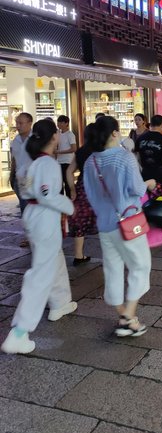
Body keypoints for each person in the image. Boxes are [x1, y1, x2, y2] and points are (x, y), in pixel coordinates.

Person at [1, 119, 77, 355]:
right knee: (42, 271)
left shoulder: (32, 161)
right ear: (54, 136)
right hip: (45, 216)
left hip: (35, 216)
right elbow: (47, 194)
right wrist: (69, 206)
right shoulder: (47, 163)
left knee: (53, 259)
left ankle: (60, 302)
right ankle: (20, 331)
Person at [83, 116, 153, 337]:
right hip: (127, 222)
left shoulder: (90, 161)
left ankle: (124, 315)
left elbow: (90, 193)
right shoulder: (125, 157)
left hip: (104, 224)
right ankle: (127, 316)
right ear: (114, 133)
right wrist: (148, 184)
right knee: (140, 265)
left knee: (112, 269)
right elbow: (136, 189)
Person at [66, 123, 97, 266]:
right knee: (105, 219)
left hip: (83, 187)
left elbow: (69, 171)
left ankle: (78, 255)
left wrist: (72, 189)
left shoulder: (81, 151)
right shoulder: (101, 150)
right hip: (99, 188)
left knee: (80, 220)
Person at [135, 114, 162, 194]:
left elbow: (138, 158)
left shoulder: (140, 138)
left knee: (148, 198)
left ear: (151, 124)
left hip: (146, 173)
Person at [9, 112, 33, 236]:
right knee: (25, 208)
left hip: (33, 178)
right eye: (17, 123)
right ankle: (29, 234)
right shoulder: (16, 140)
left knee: (31, 207)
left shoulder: (36, 139)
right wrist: (12, 175)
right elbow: (14, 159)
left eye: (21, 123)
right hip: (20, 179)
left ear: (30, 123)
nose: (18, 126)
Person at [56, 115, 77, 196]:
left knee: (67, 183)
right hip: (59, 162)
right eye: (58, 122)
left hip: (67, 161)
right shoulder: (58, 134)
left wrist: (59, 152)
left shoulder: (70, 135)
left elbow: (73, 148)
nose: (59, 124)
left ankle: (69, 202)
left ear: (66, 123)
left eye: (61, 122)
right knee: (59, 183)